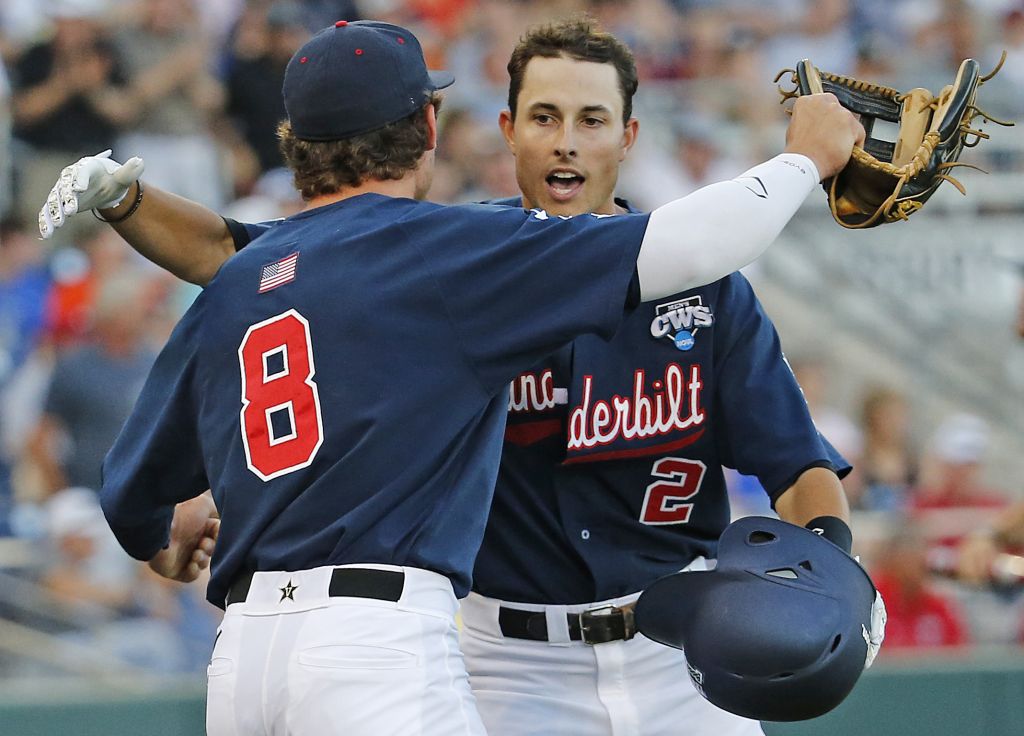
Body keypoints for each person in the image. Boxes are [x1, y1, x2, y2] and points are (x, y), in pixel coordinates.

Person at [39, 18, 863, 736]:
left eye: (589, 118)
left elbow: (227, 273)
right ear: (445, 127)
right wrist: (802, 161)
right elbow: (694, 240)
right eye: (545, 116)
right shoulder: (453, 256)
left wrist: (124, 201)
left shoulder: (263, 276)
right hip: (427, 650)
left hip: (255, 648)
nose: (566, 140)